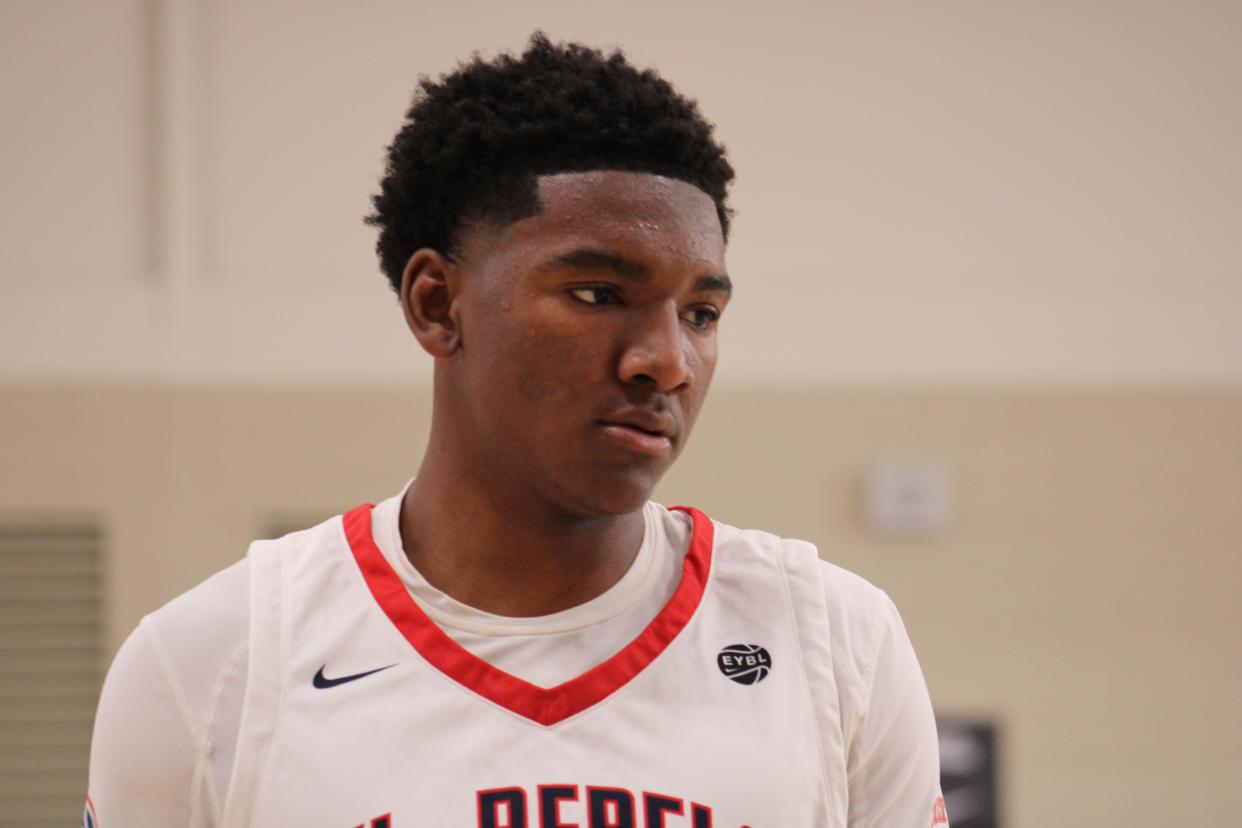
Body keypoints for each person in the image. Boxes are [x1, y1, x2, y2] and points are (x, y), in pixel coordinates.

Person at [86, 34, 947, 828]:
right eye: (598, 294)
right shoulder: (213, 660)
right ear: (436, 304)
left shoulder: (835, 640)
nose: (666, 360)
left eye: (703, 311)